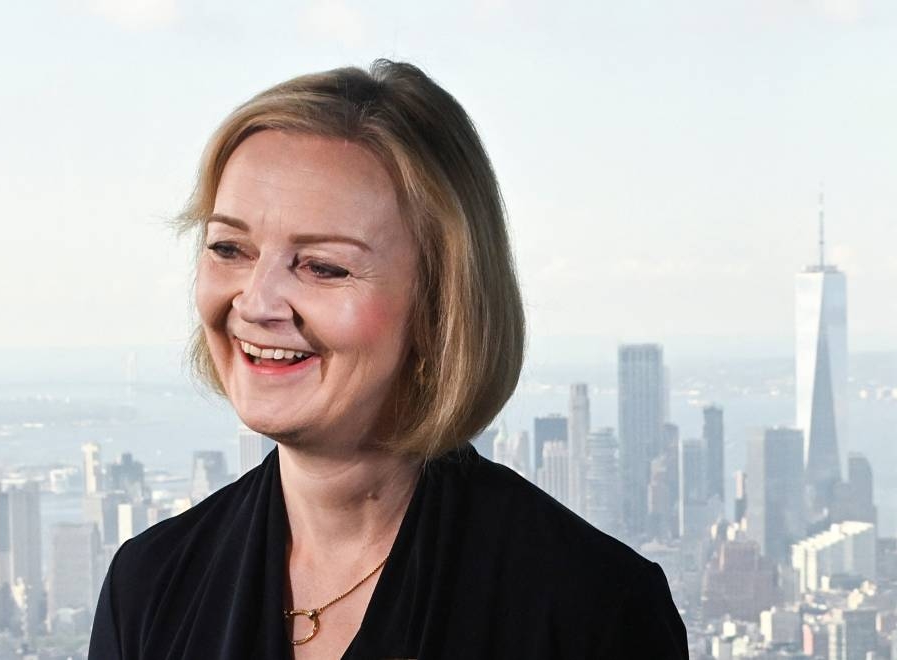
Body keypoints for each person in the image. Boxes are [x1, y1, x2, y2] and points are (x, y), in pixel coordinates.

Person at [89, 60, 689, 659]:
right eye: (229, 248)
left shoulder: (593, 610)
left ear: (437, 305)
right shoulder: (149, 586)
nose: (256, 301)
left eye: (323, 266)